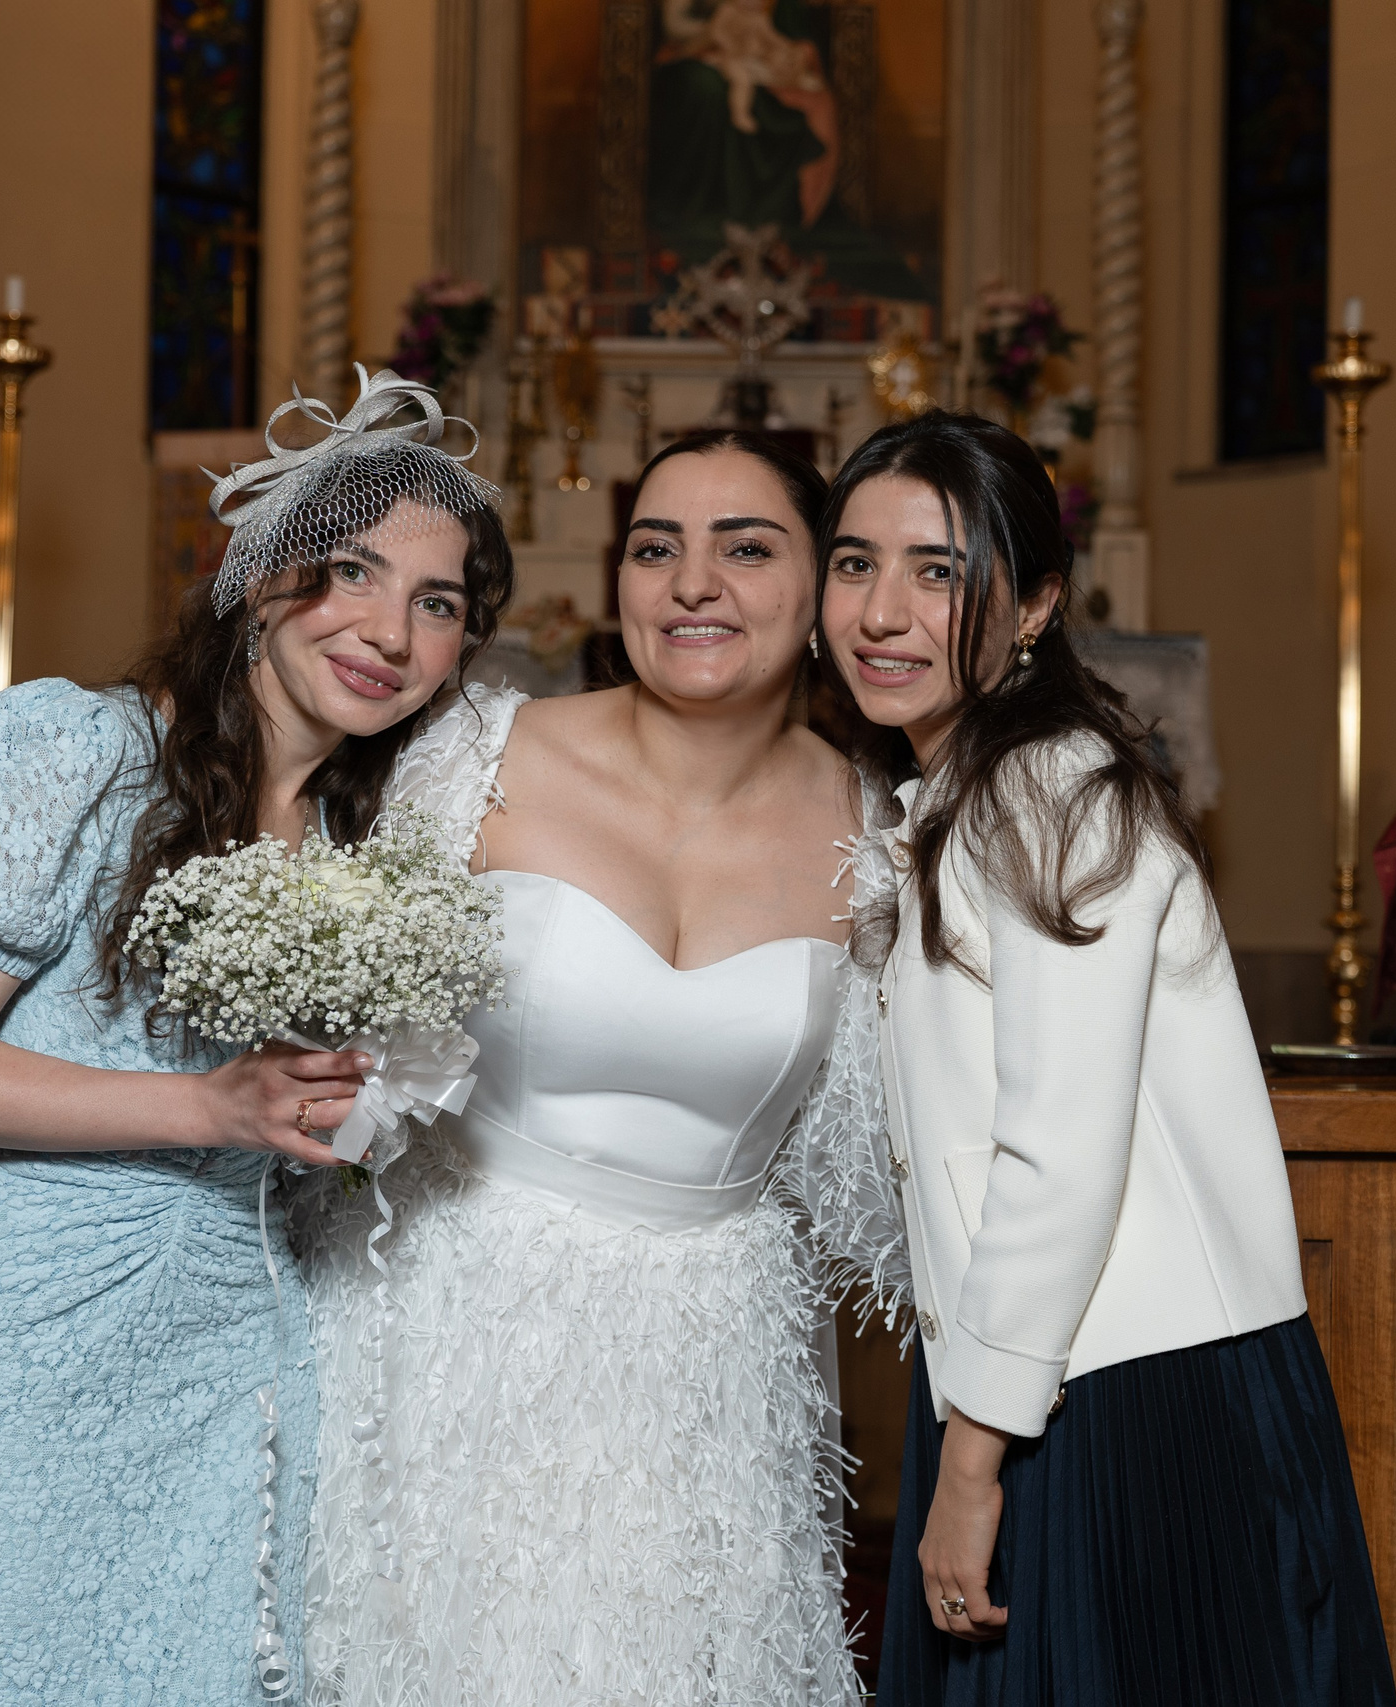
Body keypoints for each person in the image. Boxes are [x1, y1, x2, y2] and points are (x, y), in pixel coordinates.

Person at [0, 369, 513, 1705]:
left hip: (234, 1363)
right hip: (17, 1348)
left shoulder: (361, 855)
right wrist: (210, 1105)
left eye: (438, 604)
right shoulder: (76, 752)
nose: (390, 627)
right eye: (355, 573)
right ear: (266, 581)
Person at [287, 429, 901, 1707]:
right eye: (656, 546)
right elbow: (344, 1022)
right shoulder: (471, 755)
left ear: (828, 585)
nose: (693, 584)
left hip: (710, 1365)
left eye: (747, 547)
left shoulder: (879, 835)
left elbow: (884, 1160)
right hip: (451, 1327)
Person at [816, 411, 1396, 1705]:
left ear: (1031, 604)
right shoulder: (964, 785)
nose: (884, 609)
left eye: (940, 569)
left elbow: (1060, 1154)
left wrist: (971, 1461)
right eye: (855, 563)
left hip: (1119, 1388)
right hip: (1031, 1372)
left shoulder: (1053, 791)